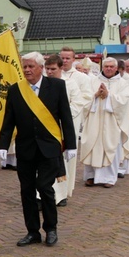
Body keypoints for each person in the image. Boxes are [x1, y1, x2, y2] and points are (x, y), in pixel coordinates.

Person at [0, 52, 76, 247]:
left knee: (44, 187)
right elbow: (9, 121)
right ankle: (32, 232)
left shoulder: (57, 86)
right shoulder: (16, 90)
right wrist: (2, 145)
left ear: (41, 68)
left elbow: (65, 117)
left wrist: (71, 144)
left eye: (31, 66)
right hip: (25, 149)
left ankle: (51, 229)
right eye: (24, 66)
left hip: (49, 148)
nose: (27, 70)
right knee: (27, 191)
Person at [80, 57, 129, 188]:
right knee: (91, 144)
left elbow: (124, 101)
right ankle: (91, 176)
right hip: (94, 120)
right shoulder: (93, 81)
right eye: (106, 66)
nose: (108, 69)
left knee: (110, 147)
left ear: (116, 68)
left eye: (111, 67)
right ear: (102, 67)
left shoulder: (122, 83)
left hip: (111, 122)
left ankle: (108, 178)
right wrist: (95, 95)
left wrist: (109, 96)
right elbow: (84, 99)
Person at [43, 54, 81, 207]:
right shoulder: (41, 84)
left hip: (62, 128)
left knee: (62, 162)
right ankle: (42, 194)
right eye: (47, 69)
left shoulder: (70, 84)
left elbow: (78, 103)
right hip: (45, 128)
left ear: (60, 68)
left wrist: (60, 114)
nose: (50, 72)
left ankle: (61, 194)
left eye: (53, 69)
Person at [58, 47, 94, 203]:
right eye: (63, 58)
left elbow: (86, 98)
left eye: (68, 58)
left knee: (67, 156)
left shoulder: (81, 78)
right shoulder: (51, 74)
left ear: (73, 59)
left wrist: (67, 113)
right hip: (51, 121)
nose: (65, 61)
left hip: (71, 120)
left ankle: (64, 191)